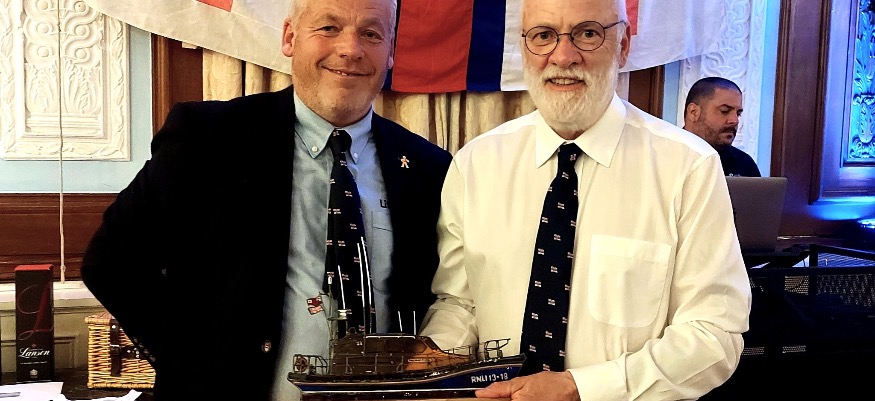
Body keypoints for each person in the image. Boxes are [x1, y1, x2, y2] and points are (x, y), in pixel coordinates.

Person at [80, 0, 452, 399]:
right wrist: (191, 363)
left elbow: (441, 296)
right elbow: (111, 262)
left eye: (371, 33)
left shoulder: (430, 168)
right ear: (290, 37)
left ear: (391, 51)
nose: (350, 49)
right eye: (328, 28)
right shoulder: (206, 138)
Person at [418, 0, 753, 400]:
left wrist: (581, 388)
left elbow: (714, 334)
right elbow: (460, 303)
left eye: (588, 34)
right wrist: (433, 369)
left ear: (623, 46)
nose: (563, 56)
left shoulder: (688, 167)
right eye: (543, 36)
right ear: (524, 47)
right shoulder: (475, 163)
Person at [683, 77, 761, 177]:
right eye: (724, 111)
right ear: (693, 112)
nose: (735, 121)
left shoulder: (744, 165)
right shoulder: (667, 156)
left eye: (738, 114)